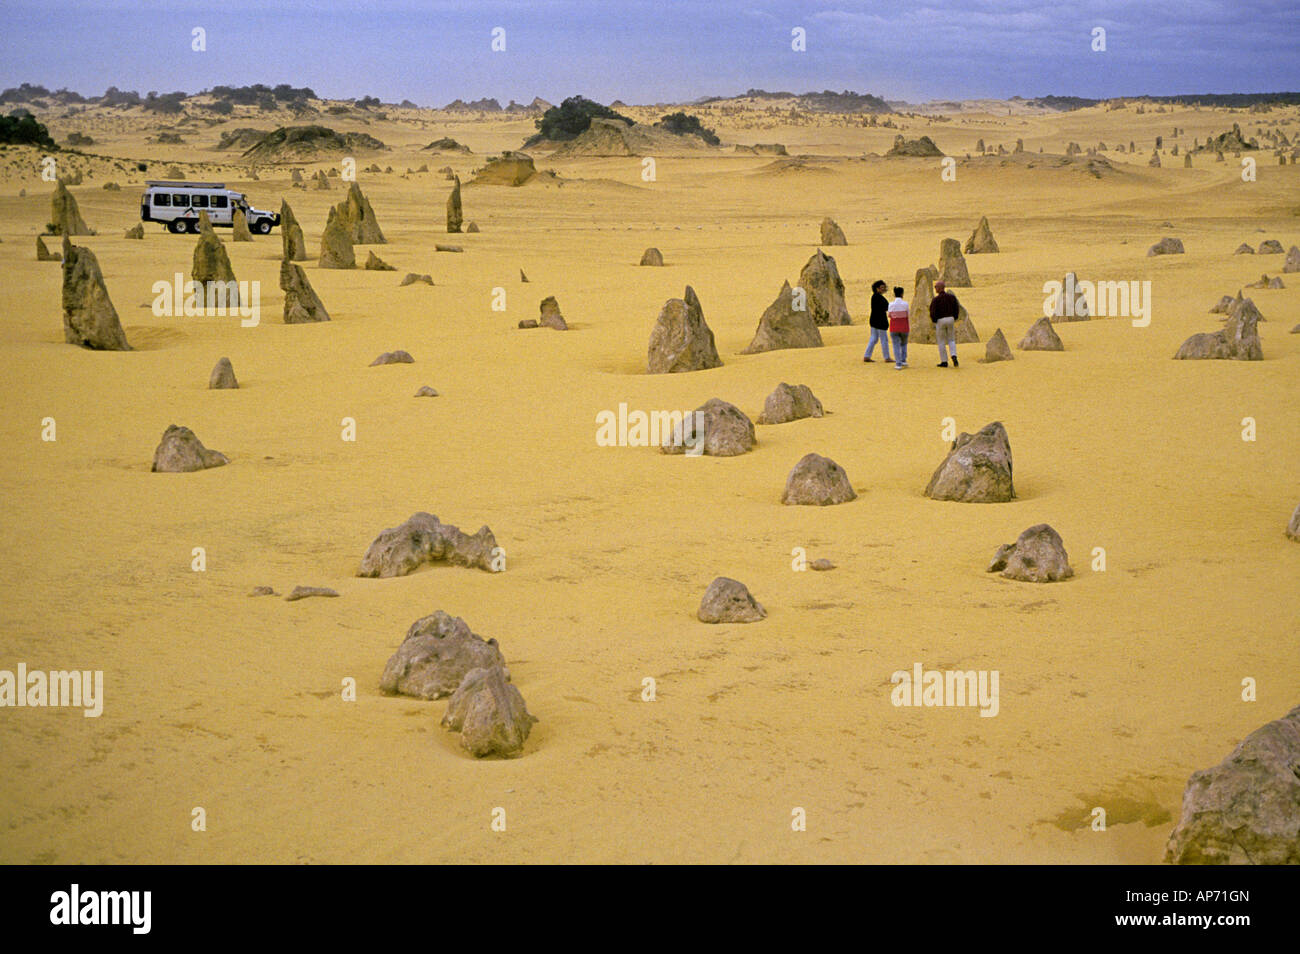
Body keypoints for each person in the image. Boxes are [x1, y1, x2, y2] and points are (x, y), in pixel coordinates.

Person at [930, 280, 960, 368]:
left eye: (936, 287)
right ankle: (953, 355)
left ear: (940, 288)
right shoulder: (952, 297)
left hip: (940, 320)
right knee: (951, 339)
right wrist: (954, 317)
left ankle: (944, 361)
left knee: (941, 341)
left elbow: (932, 311)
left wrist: (934, 320)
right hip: (951, 319)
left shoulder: (936, 300)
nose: (935, 289)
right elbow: (956, 308)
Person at [863, 279, 891, 363]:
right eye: (881, 287)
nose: (883, 289)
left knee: (874, 338)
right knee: (883, 339)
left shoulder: (875, 297)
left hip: (874, 320)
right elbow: (886, 307)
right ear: (877, 288)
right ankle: (887, 357)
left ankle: (867, 355)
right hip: (880, 321)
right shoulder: (878, 297)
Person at [887, 286, 909, 369]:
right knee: (904, 344)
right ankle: (903, 360)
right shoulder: (905, 304)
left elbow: (889, 315)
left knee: (896, 345)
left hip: (894, 327)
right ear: (902, 294)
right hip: (904, 327)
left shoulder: (891, 304)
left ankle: (898, 363)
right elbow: (908, 314)